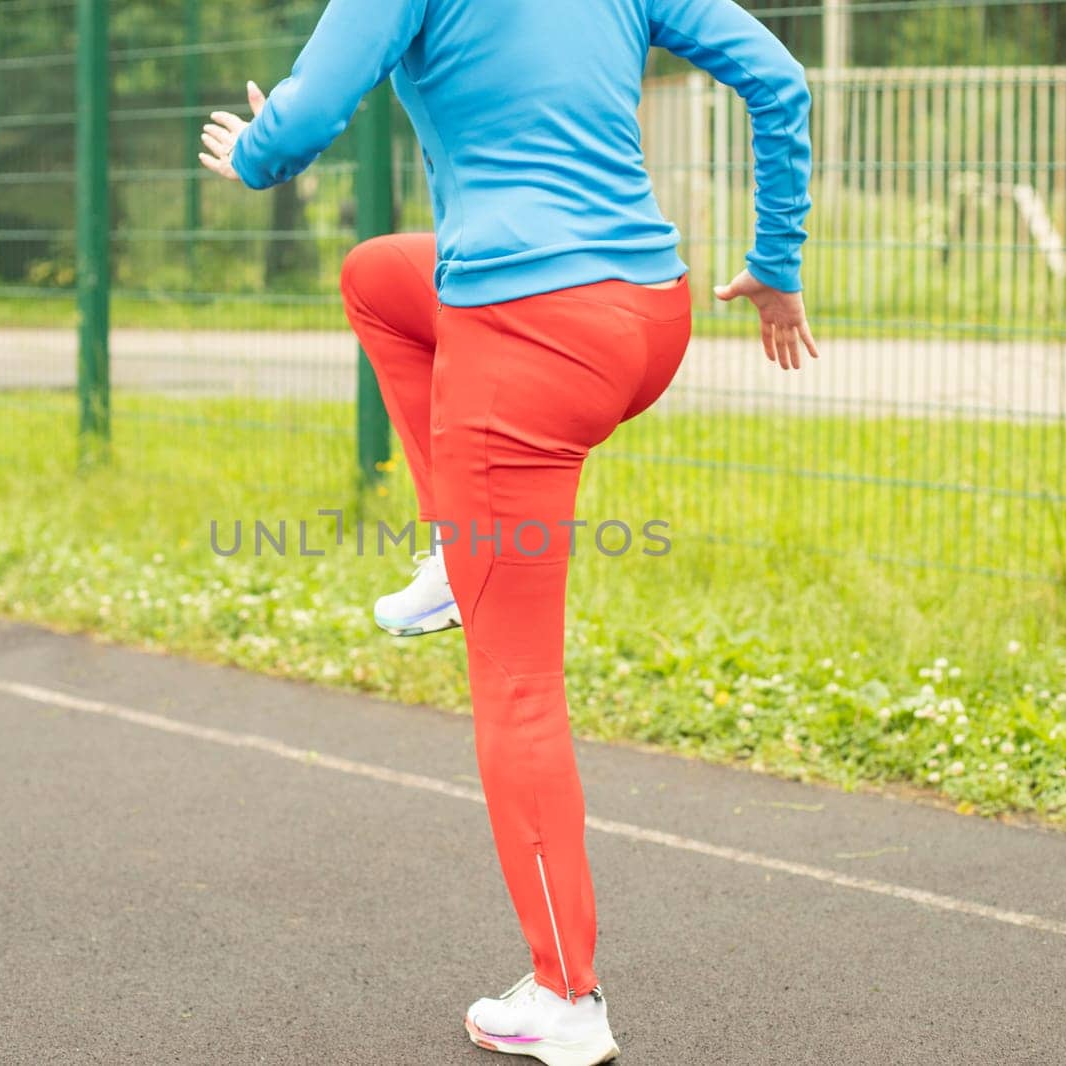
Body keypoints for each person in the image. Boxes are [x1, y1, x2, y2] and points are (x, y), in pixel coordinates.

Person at [199, 0, 816, 1061]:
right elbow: (781, 81)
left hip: (527, 337)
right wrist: (776, 258)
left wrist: (253, 151)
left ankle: (565, 996)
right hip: (644, 317)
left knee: (516, 682)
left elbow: (300, 127)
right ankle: (454, 546)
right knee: (379, 280)